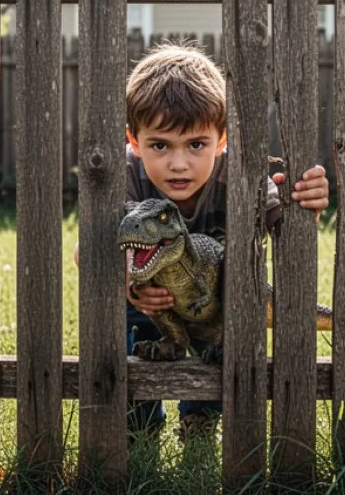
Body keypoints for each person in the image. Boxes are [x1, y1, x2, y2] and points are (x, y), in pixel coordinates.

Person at [77, 41, 330, 441]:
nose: (179, 163)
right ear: (135, 141)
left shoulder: (240, 173)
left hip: (216, 302)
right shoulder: (121, 174)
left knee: (222, 345)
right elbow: (85, 251)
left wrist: (304, 204)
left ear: (222, 139)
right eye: (160, 145)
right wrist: (130, 281)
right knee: (140, 338)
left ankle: (200, 416)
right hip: (151, 299)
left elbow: (284, 227)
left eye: (196, 144)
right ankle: (142, 424)